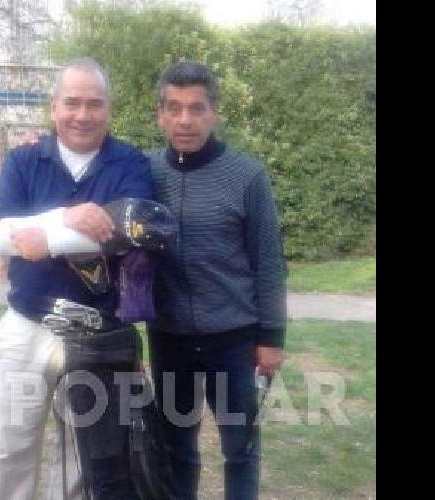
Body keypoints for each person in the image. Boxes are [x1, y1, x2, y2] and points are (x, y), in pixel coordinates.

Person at [0, 57, 153, 500]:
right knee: (10, 446)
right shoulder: (24, 160)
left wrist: (46, 238)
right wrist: (67, 220)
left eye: (94, 104)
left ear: (109, 109)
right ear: (53, 106)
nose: (82, 115)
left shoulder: (131, 164)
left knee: (82, 454)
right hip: (27, 327)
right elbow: (0, 237)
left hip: (98, 332)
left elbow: (126, 235)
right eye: (72, 103)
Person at [145, 60, 289, 500]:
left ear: (215, 113)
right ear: (161, 114)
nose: (185, 120)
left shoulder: (247, 177)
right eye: (174, 108)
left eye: (196, 108)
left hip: (234, 339)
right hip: (169, 337)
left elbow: (268, 260)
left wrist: (272, 337)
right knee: (176, 448)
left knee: (240, 449)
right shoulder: (145, 171)